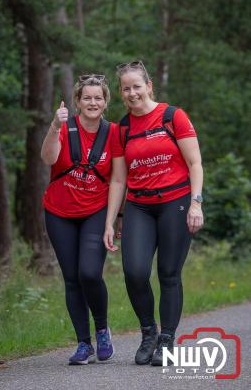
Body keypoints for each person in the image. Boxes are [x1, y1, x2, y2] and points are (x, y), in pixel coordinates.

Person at [104, 61, 204, 366]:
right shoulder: (122, 128)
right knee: (134, 272)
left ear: (149, 86)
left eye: (137, 86)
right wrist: (112, 221)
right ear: (120, 93)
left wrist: (197, 203)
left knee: (169, 274)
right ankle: (148, 332)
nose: (132, 92)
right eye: (126, 88)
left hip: (176, 202)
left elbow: (195, 163)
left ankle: (167, 340)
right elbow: (119, 179)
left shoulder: (173, 116)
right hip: (139, 207)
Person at [41, 74, 126, 365]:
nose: (93, 102)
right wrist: (55, 126)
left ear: (105, 102)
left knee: (89, 272)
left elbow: (117, 179)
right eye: (87, 98)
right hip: (59, 212)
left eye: (98, 98)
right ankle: (83, 343)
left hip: (95, 211)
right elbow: (48, 159)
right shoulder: (64, 127)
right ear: (77, 101)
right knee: (72, 279)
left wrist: (111, 221)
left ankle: (102, 330)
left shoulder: (113, 132)